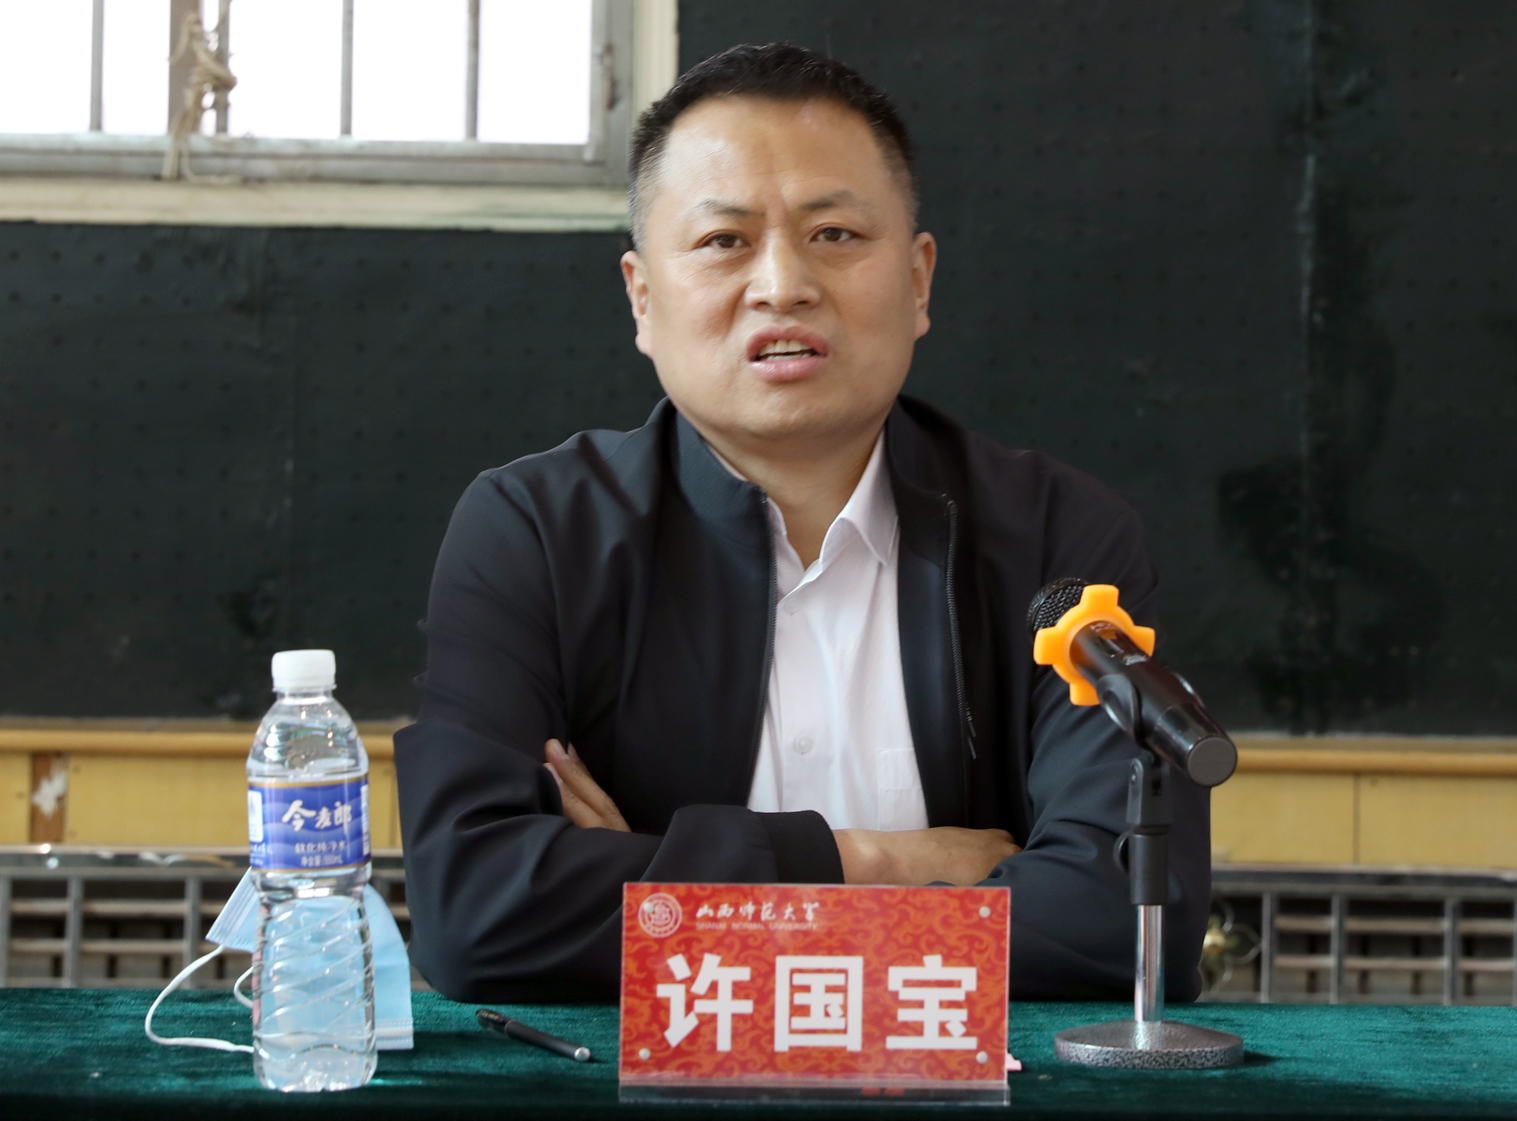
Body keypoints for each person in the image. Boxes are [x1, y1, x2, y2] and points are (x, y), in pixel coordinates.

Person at [394, 42, 1210, 1003]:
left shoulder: (1059, 540)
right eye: (723, 241)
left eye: (833, 233)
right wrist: (877, 861)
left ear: (918, 282)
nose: (783, 284)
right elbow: (479, 912)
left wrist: (662, 885)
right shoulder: (534, 532)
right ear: (643, 299)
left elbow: (1127, 923)